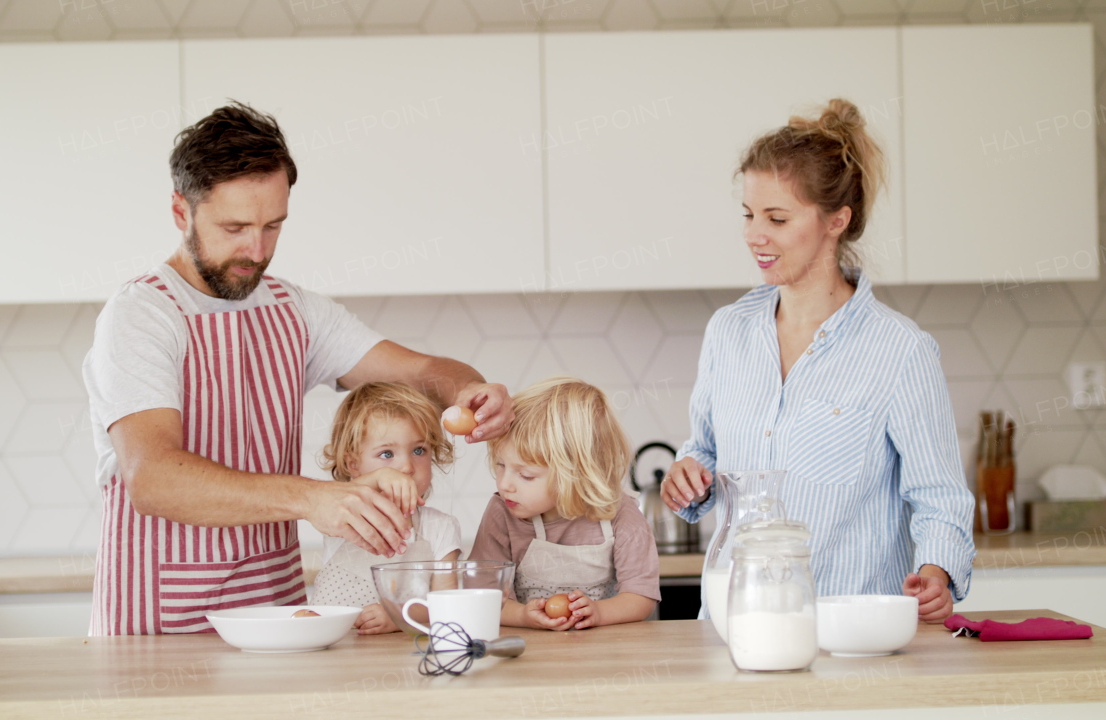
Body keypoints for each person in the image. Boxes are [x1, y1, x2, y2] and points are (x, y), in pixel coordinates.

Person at [82, 102, 511, 635]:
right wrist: (312, 497)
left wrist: (466, 388)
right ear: (180, 211)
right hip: (160, 626)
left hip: (281, 621)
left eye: (273, 226)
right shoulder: (141, 316)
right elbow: (153, 477)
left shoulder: (295, 311)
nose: (256, 250)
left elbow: (421, 371)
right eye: (234, 227)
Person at [659, 99, 975, 624]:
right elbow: (706, 450)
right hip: (735, 630)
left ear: (837, 221)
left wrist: (937, 573)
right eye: (749, 215)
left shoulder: (899, 351)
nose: (753, 235)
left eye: (777, 218)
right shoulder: (728, 332)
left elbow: (939, 497)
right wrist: (688, 474)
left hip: (847, 635)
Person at [469, 377, 660, 630]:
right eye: (501, 465)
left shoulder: (620, 514)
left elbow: (641, 597)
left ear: (578, 473)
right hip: (529, 653)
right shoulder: (502, 512)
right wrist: (524, 616)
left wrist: (599, 613)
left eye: (526, 475)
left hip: (608, 653)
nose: (505, 484)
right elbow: (483, 597)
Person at [307, 382, 462, 634]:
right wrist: (378, 479)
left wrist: (399, 615)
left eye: (419, 450)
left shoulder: (440, 528)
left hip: (399, 654)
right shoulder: (343, 512)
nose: (406, 467)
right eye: (387, 454)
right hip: (332, 645)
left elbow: (447, 604)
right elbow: (342, 495)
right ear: (353, 463)